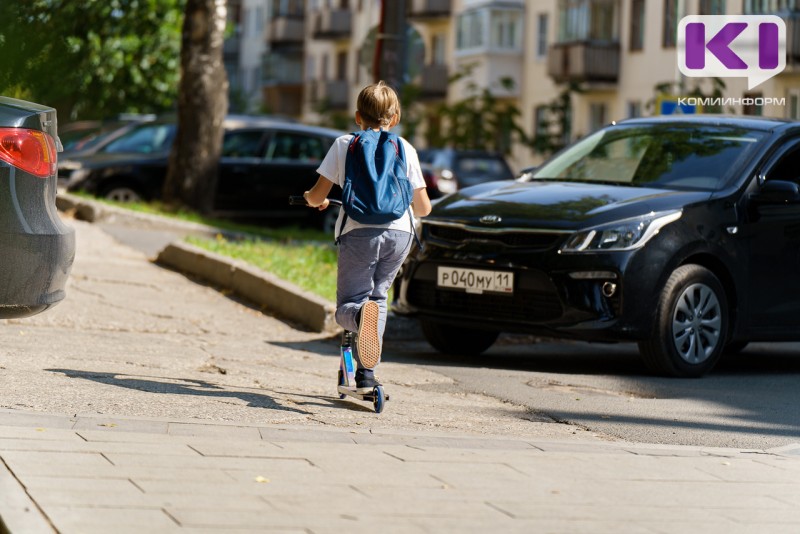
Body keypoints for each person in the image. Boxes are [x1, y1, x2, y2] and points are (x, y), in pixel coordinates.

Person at [303, 80, 432, 393]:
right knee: (378, 298)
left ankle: (360, 317)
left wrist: (312, 198)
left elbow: (316, 195)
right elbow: (424, 208)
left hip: (359, 232)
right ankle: (366, 376)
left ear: (358, 116)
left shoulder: (345, 144)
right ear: (395, 118)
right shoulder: (405, 148)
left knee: (350, 306)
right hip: (400, 233)